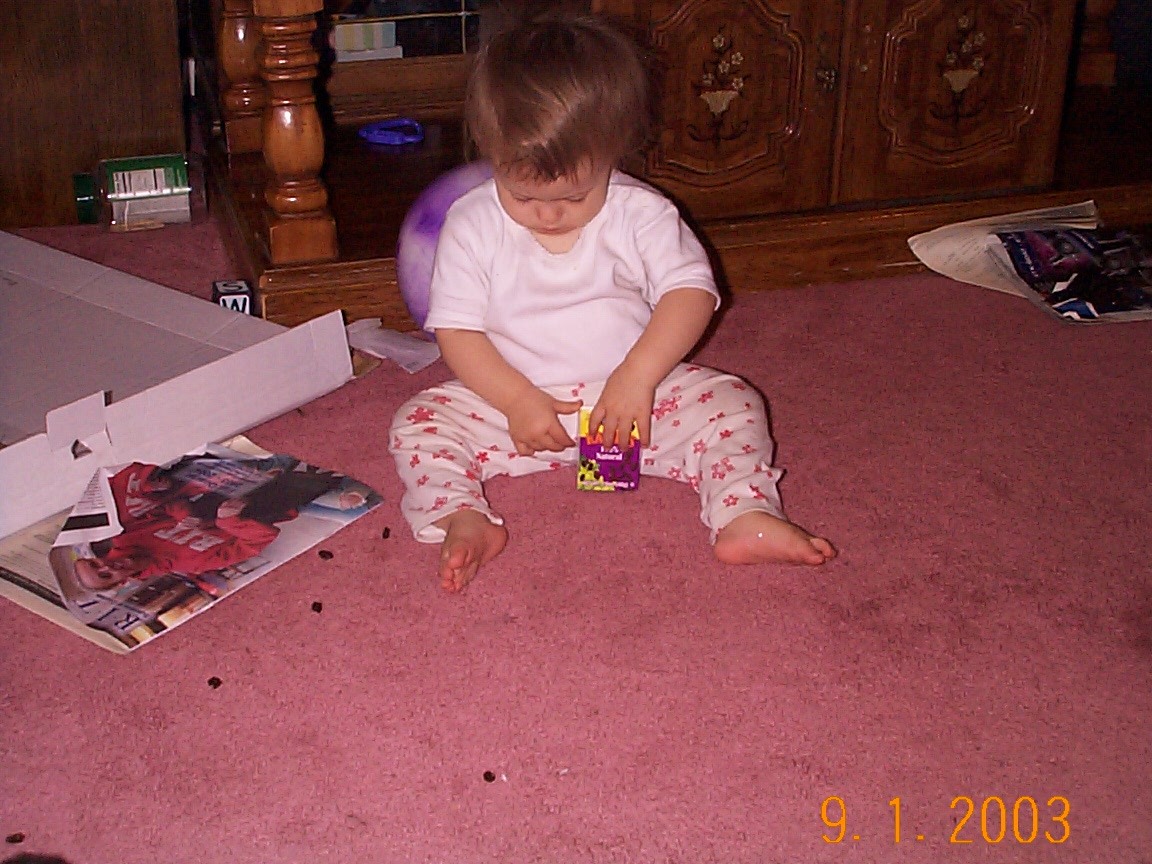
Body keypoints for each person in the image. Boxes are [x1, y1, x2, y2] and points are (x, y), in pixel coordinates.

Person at [389, 7, 836, 592]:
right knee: (418, 422)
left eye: (575, 197)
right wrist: (515, 398)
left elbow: (690, 293)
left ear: (613, 152)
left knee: (733, 402)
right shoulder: (470, 221)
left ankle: (745, 513)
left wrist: (637, 377)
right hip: (515, 408)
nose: (548, 215)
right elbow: (457, 331)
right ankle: (462, 517)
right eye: (522, 196)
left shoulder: (642, 213)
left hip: (630, 404)